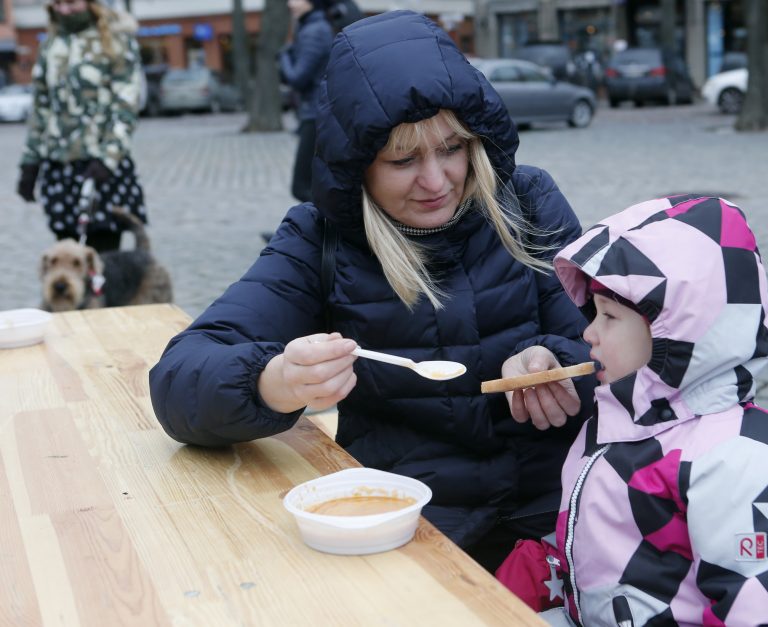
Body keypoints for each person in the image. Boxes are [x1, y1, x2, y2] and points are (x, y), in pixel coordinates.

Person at [149, 11, 595, 571]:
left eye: (452, 148)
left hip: (562, 519)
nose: (436, 181)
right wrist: (275, 382)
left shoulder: (525, 201)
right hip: (408, 533)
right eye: (403, 160)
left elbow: (619, 348)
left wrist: (560, 360)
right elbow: (178, 381)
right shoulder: (320, 239)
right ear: (356, 166)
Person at [499, 196, 768, 626]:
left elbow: (755, 609)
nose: (588, 332)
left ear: (674, 330)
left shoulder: (739, 460)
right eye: (594, 314)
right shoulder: (618, 419)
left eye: (609, 317)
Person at [16, 0, 146, 253]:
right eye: (58, 4)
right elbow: (41, 108)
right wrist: (30, 162)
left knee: (103, 258)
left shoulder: (117, 42)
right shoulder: (51, 45)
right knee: (67, 258)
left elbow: (125, 106)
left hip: (102, 166)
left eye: (71, 3)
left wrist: (108, 158)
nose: (64, 10)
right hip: (59, 166)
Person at [279, 0, 333, 203]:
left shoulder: (314, 31)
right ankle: (310, 233)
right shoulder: (309, 27)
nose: (290, 3)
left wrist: (283, 56)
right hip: (315, 112)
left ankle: (336, 229)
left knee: (301, 187)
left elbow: (297, 78)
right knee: (312, 184)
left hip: (316, 115)